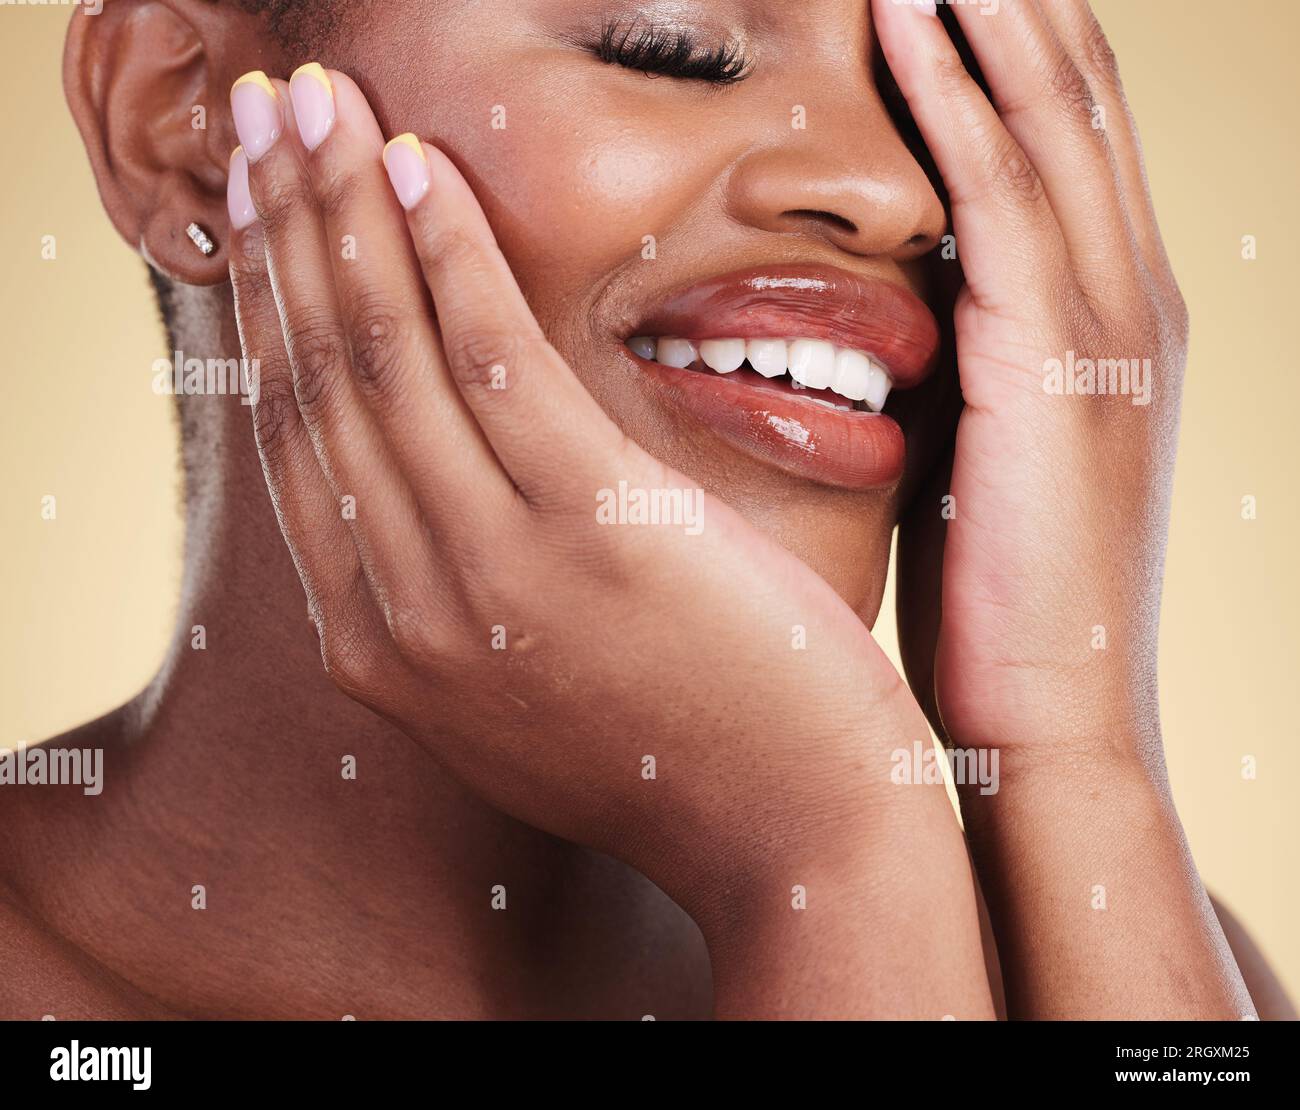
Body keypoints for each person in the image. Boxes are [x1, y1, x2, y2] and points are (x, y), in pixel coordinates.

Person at [1, 0, 1292, 1020]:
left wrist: (1075, 748)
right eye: (669, 47)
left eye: (934, 85)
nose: (891, 191)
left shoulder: (1115, 957)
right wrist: (829, 868)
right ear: (177, 118)